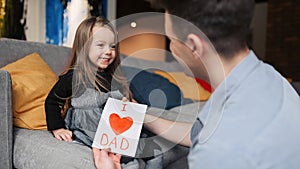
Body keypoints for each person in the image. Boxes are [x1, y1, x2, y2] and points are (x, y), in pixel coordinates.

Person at [98, 0, 300, 168]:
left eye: (171, 40)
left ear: (193, 45)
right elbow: (200, 132)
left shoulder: (217, 154)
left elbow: (215, 143)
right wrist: (143, 115)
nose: (172, 48)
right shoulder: (269, 78)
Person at [45, 16, 162, 169]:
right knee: (131, 164)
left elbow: (126, 103)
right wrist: (57, 128)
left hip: (116, 130)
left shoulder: (114, 78)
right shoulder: (75, 76)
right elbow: (52, 101)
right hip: (89, 131)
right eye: (101, 45)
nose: (108, 52)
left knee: (156, 151)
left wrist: (132, 105)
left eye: (112, 46)